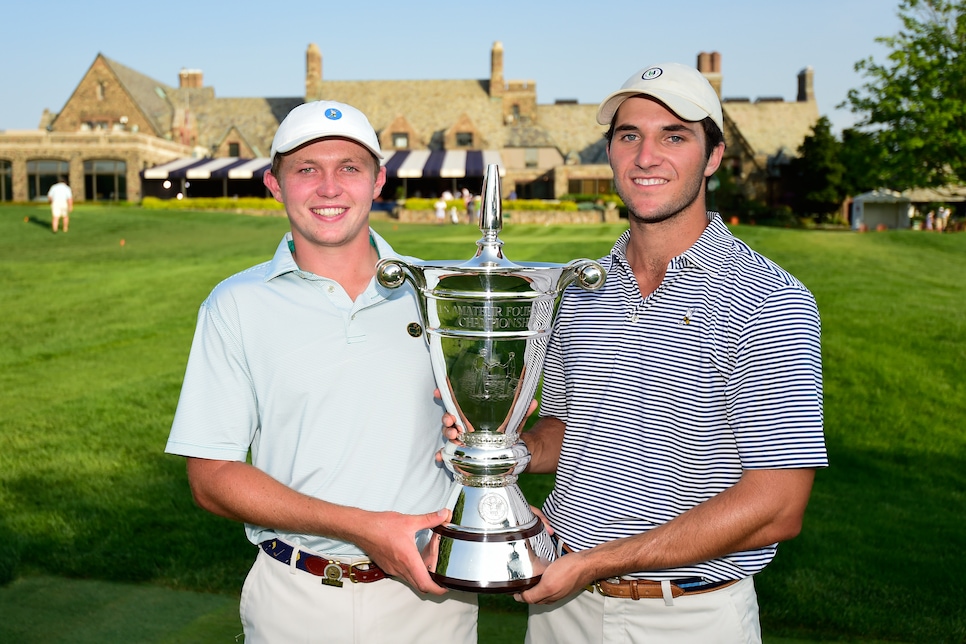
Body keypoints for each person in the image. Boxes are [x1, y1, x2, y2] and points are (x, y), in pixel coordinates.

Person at [451, 63, 827, 643]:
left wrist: (599, 561)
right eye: (630, 136)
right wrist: (504, 446)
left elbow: (776, 506)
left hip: (688, 617)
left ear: (713, 156)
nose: (647, 156)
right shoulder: (580, 289)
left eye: (674, 135)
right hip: (561, 611)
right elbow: (564, 431)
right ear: (611, 153)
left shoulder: (769, 298)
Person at [165, 100, 477, 644]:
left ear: (378, 180)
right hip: (295, 597)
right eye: (307, 169)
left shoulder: (437, 295)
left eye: (349, 168)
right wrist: (361, 527)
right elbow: (211, 477)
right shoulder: (234, 304)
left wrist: (482, 427)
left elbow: (484, 429)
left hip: (432, 600)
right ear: (274, 184)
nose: (329, 188)